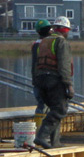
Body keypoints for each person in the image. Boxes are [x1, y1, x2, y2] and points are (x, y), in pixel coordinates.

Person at [32, 16, 75, 149]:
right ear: (65, 30)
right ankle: (41, 136)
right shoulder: (61, 42)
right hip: (54, 80)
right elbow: (64, 65)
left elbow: (35, 64)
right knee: (60, 109)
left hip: (40, 80)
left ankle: (55, 142)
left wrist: (35, 82)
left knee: (53, 110)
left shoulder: (42, 42)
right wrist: (68, 84)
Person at [30, 19, 53, 142]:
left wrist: (34, 79)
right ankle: (45, 135)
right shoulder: (49, 44)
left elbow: (34, 64)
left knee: (40, 104)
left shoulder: (35, 45)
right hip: (47, 79)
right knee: (48, 105)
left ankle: (39, 133)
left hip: (37, 78)